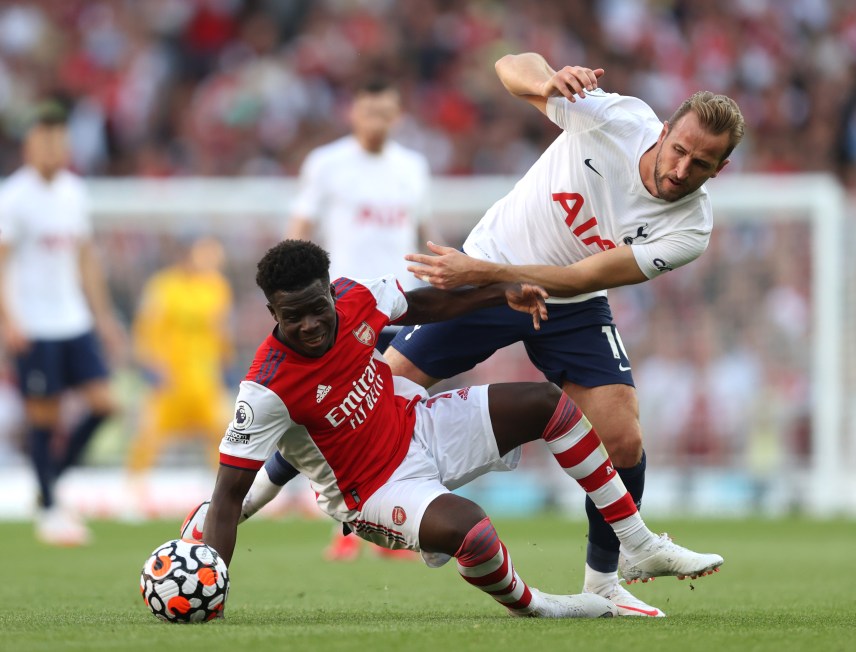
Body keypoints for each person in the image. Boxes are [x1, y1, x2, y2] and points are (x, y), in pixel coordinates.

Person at [249, 52, 742, 616]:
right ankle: (252, 495)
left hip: (565, 299)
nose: (681, 170)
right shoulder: (617, 119)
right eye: (679, 150)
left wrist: (486, 276)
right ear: (664, 130)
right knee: (373, 386)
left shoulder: (691, 228)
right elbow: (510, 65)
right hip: (495, 260)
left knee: (623, 437)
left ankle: (606, 579)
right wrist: (547, 80)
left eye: (701, 164)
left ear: (719, 170)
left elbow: (583, 276)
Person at [190, 239, 721, 619]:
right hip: (374, 491)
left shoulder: (355, 297)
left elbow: (422, 303)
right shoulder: (265, 390)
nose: (309, 325)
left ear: (331, 292)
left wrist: (498, 294)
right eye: (292, 317)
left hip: (419, 425)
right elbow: (227, 495)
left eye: (316, 308)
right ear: (270, 312)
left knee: (543, 402)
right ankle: (539, 607)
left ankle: (635, 541)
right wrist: (211, 585)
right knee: (474, 532)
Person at [285, 77, 432, 560]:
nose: (377, 122)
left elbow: (425, 234)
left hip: (403, 306)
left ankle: (394, 526)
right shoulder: (327, 165)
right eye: (369, 112)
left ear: (398, 115)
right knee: (343, 419)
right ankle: (344, 524)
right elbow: (300, 231)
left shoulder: (413, 168)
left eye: (385, 113)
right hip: (343, 313)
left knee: (398, 416)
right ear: (353, 112)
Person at [0, 101, 125, 546]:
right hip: (33, 324)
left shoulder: (74, 191)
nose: (52, 149)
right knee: (44, 417)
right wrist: (9, 320)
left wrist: (104, 316)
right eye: (44, 140)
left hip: (73, 318)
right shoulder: (13, 197)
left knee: (106, 405)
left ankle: (49, 483)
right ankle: (51, 508)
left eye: (59, 140)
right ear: (30, 146)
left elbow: (86, 259)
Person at [124, 235, 233, 516]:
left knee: (224, 436)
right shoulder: (163, 286)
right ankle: (133, 497)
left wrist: (225, 364)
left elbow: (221, 332)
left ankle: (225, 498)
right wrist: (152, 365)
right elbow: (144, 329)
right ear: (188, 254)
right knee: (149, 436)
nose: (212, 260)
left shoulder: (217, 287)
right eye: (206, 253)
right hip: (170, 379)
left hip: (205, 380)